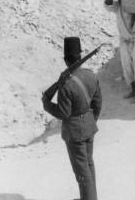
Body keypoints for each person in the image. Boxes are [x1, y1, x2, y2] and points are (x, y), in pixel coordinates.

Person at [42, 37, 102, 200]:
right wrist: (89, 121)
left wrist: (47, 104)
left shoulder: (66, 84)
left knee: (82, 173)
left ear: (65, 59)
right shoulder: (91, 75)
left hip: (75, 133)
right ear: (80, 56)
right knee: (89, 165)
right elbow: (97, 103)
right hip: (89, 127)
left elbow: (63, 113)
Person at [104, 0, 135, 103]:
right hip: (124, 41)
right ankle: (133, 90)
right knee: (127, 67)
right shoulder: (118, 7)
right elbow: (107, 3)